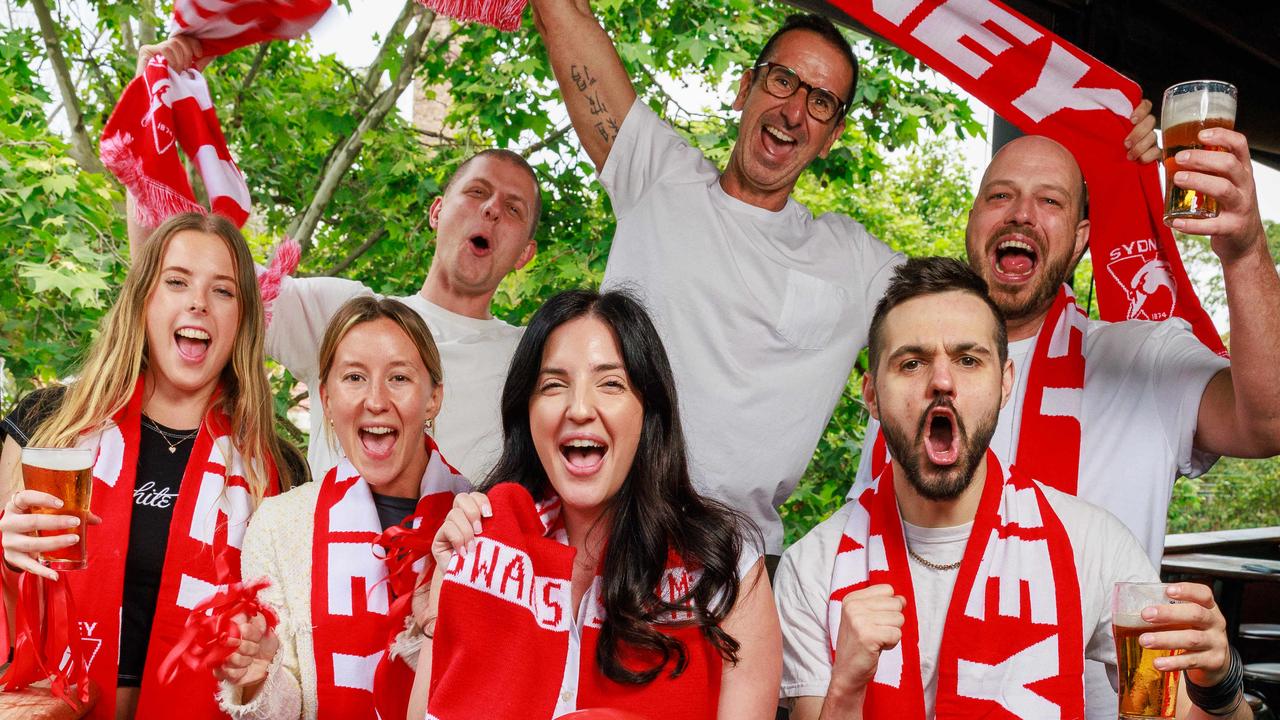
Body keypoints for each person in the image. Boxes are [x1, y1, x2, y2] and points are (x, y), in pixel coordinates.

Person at [528, 6, 1157, 560]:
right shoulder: (656, 174)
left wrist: (1115, 156)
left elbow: (985, 290)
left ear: (830, 137)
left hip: (730, 564)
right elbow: (566, 17)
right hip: (594, 528)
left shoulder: (851, 260)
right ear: (746, 87)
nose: (795, 110)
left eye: (822, 102)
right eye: (782, 81)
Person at [776, 257, 1250, 720]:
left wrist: (1219, 685)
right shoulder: (813, 567)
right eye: (912, 363)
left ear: (1005, 383)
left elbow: (1173, 712)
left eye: (967, 360)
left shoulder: (1091, 544)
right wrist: (847, 685)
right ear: (872, 395)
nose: (942, 382)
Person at [130, 37, 542, 483]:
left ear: (525, 254)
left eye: (513, 208)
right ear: (437, 211)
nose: (491, 209)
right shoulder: (341, 314)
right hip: (324, 550)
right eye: (477, 192)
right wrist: (154, 90)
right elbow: (170, 275)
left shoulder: (535, 359)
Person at [409, 289, 782, 720]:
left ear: (649, 411)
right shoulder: (475, 545)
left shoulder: (726, 567)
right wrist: (451, 590)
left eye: (610, 383)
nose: (580, 408)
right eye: (553, 384)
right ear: (526, 414)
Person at [0, 212, 302, 720]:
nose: (198, 303)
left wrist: (260, 655)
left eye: (223, 291)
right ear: (144, 299)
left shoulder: (278, 469)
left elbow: (291, 658)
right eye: (177, 281)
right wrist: (6, 552)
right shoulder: (49, 423)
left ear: (243, 319)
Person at [212, 296, 472, 719]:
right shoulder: (280, 526)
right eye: (354, 377)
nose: (375, 400)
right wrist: (260, 674)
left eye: (399, 378)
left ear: (433, 398)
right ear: (327, 400)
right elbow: (285, 710)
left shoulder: (479, 526)